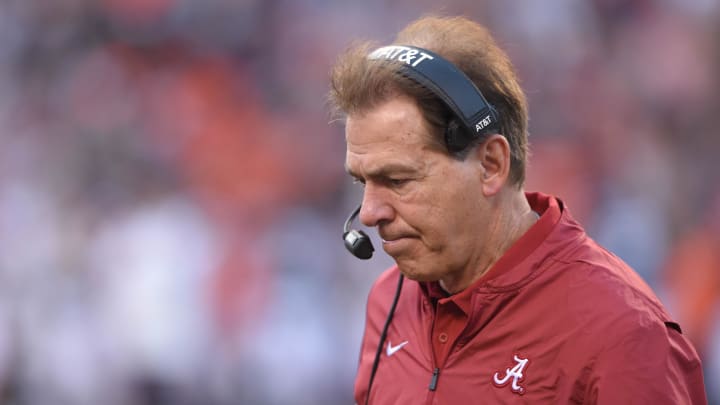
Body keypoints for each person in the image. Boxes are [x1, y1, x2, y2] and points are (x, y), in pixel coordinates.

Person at [328, 15, 707, 404]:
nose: (370, 213)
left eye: (398, 180)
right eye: (362, 182)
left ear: (491, 164)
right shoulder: (387, 302)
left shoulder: (622, 332)